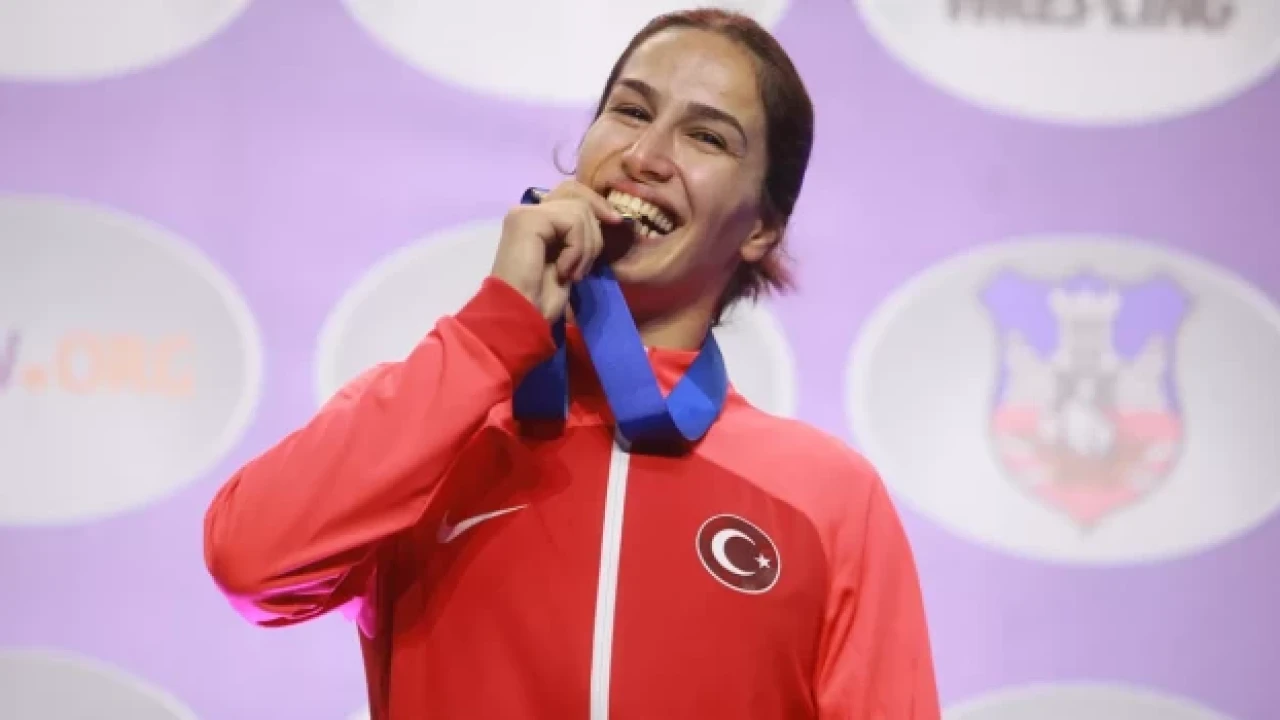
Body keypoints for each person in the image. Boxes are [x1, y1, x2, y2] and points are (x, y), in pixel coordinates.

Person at [203, 8, 940, 719]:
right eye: (630, 111)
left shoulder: (829, 498)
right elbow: (250, 560)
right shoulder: (433, 429)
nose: (645, 156)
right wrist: (492, 334)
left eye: (707, 137)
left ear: (762, 228)